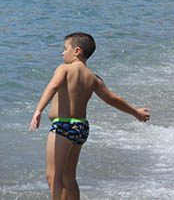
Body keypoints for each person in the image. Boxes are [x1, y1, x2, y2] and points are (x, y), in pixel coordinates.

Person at [30, 33, 150, 200]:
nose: (62, 53)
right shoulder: (93, 78)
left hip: (63, 127)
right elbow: (112, 99)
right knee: (69, 177)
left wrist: (38, 110)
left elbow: (53, 86)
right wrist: (135, 112)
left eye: (65, 49)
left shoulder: (63, 69)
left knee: (54, 177)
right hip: (81, 128)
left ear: (77, 51)